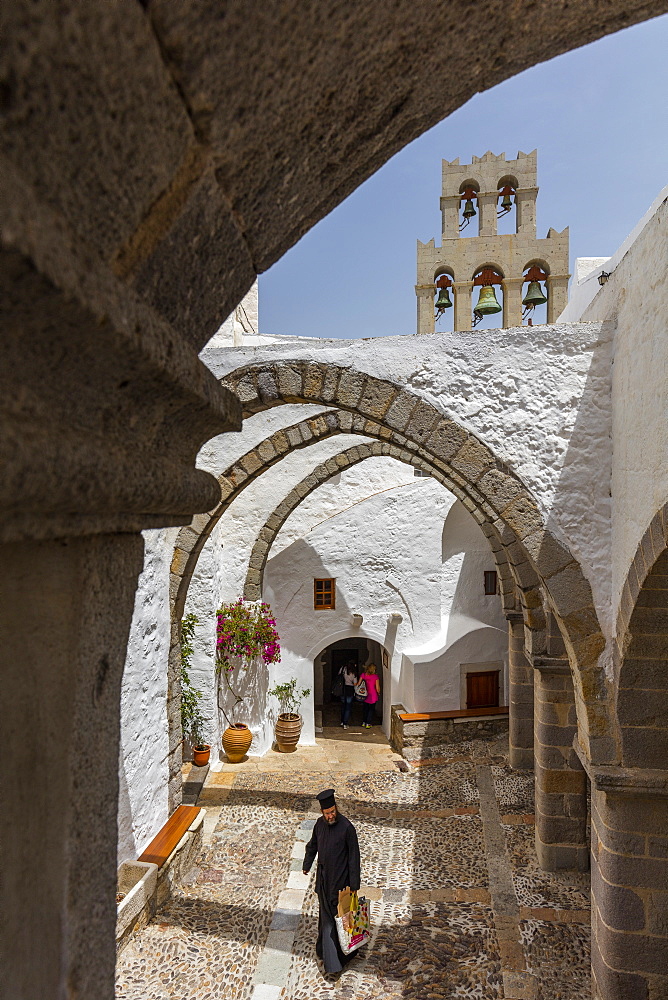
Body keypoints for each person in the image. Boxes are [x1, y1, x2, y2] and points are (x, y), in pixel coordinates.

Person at [302, 788, 361, 975]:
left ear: (337, 808)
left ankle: (335, 963)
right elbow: (312, 846)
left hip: (341, 886)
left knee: (339, 922)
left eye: (333, 811)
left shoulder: (347, 828)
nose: (330, 815)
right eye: (327, 813)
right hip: (324, 883)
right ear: (322, 813)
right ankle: (325, 952)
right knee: (326, 921)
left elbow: (354, 858)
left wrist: (354, 887)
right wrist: (306, 864)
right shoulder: (319, 825)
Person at [358, 662, 380, 728]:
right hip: (373, 695)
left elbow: (359, 683)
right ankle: (368, 723)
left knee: (365, 709)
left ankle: (364, 722)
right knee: (371, 709)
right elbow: (377, 687)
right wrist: (378, 693)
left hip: (365, 694)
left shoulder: (363, 675)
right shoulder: (375, 677)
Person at [338, 660, 358, 729]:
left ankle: (342, 721)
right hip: (350, 689)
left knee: (343, 705)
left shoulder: (343, 668)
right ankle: (345, 723)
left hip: (343, 688)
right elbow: (355, 683)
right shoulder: (353, 673)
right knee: (348, 707)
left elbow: (339, 676)